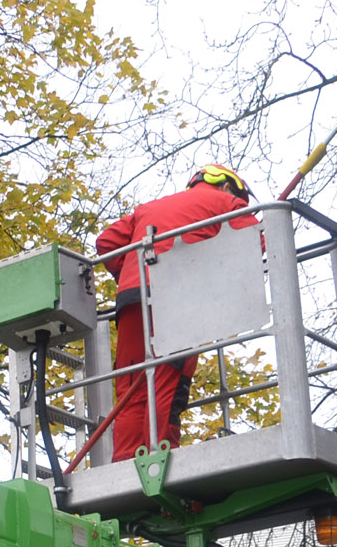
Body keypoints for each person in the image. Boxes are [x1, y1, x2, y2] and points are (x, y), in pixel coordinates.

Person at [90, 164, 259, 463]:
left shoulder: (148, 208)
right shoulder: (226, 203)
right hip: (178, 298)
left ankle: (125, 467)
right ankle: (162, 460)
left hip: (132, 299)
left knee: (132, 389)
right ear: (227, 187)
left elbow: (106, 242)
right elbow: (254, 243)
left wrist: (132, 273)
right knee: (167, 382)